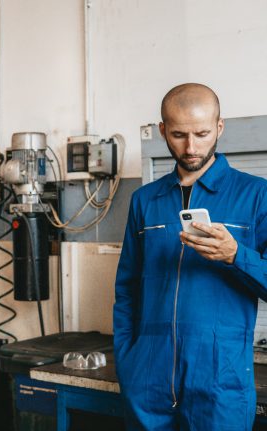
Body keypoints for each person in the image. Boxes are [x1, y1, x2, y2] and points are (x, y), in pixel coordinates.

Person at [113, 83, 267, 430]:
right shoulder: (145, 200)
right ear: (164, 130)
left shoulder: (256, 196)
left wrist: (236, 255)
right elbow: (126, 288)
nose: (192, 147)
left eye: (202, 133)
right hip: (147, 376)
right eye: (180, 134)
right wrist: (128, 360)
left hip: (219, 377)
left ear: (219, 127)